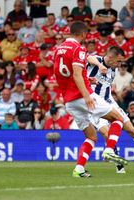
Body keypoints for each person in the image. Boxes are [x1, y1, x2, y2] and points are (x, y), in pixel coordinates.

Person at [53, 21, 127, 178]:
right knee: (118, 118)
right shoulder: (78, 48)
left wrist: (89, 79)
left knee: (91, 136)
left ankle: (79, 169)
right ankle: (109, 150)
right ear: (82, 34)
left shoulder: (59, 49)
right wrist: (87, 95)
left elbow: (63, 74)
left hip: (69, 101)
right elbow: (76, 73)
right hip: (82, 96)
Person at [86, 47, 134, 173]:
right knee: (107, 133)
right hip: (94, 105)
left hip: (109, 102)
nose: (119, 65)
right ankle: (119, 166)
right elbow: (88, 57)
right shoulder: (96, 61)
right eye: (118, 61)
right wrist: (100, 65)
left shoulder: (114, 69)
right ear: (110, 57)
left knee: (131, 130)